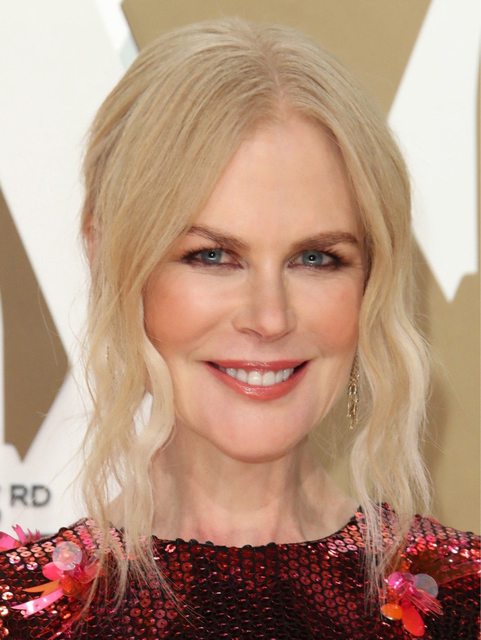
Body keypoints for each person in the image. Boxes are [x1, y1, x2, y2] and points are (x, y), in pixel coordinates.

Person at [0, 17, 479, 640]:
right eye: (212, 255)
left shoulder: (464, 607)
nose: (269, 318)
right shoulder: (20, 616)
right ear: (106, 254)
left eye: (316, 258)